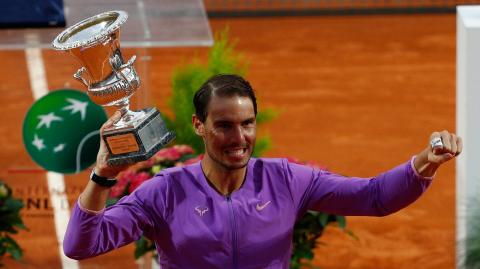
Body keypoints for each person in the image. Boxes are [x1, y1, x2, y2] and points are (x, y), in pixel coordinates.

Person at [63, 74, 462, 269]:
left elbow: (374, 196)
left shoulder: (286, 179)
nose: (239, 137)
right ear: (199, 126)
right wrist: (102, 174)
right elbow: (82, 245)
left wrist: (425, 160)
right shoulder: (164, 191)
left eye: (247, 123)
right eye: (224, 126)